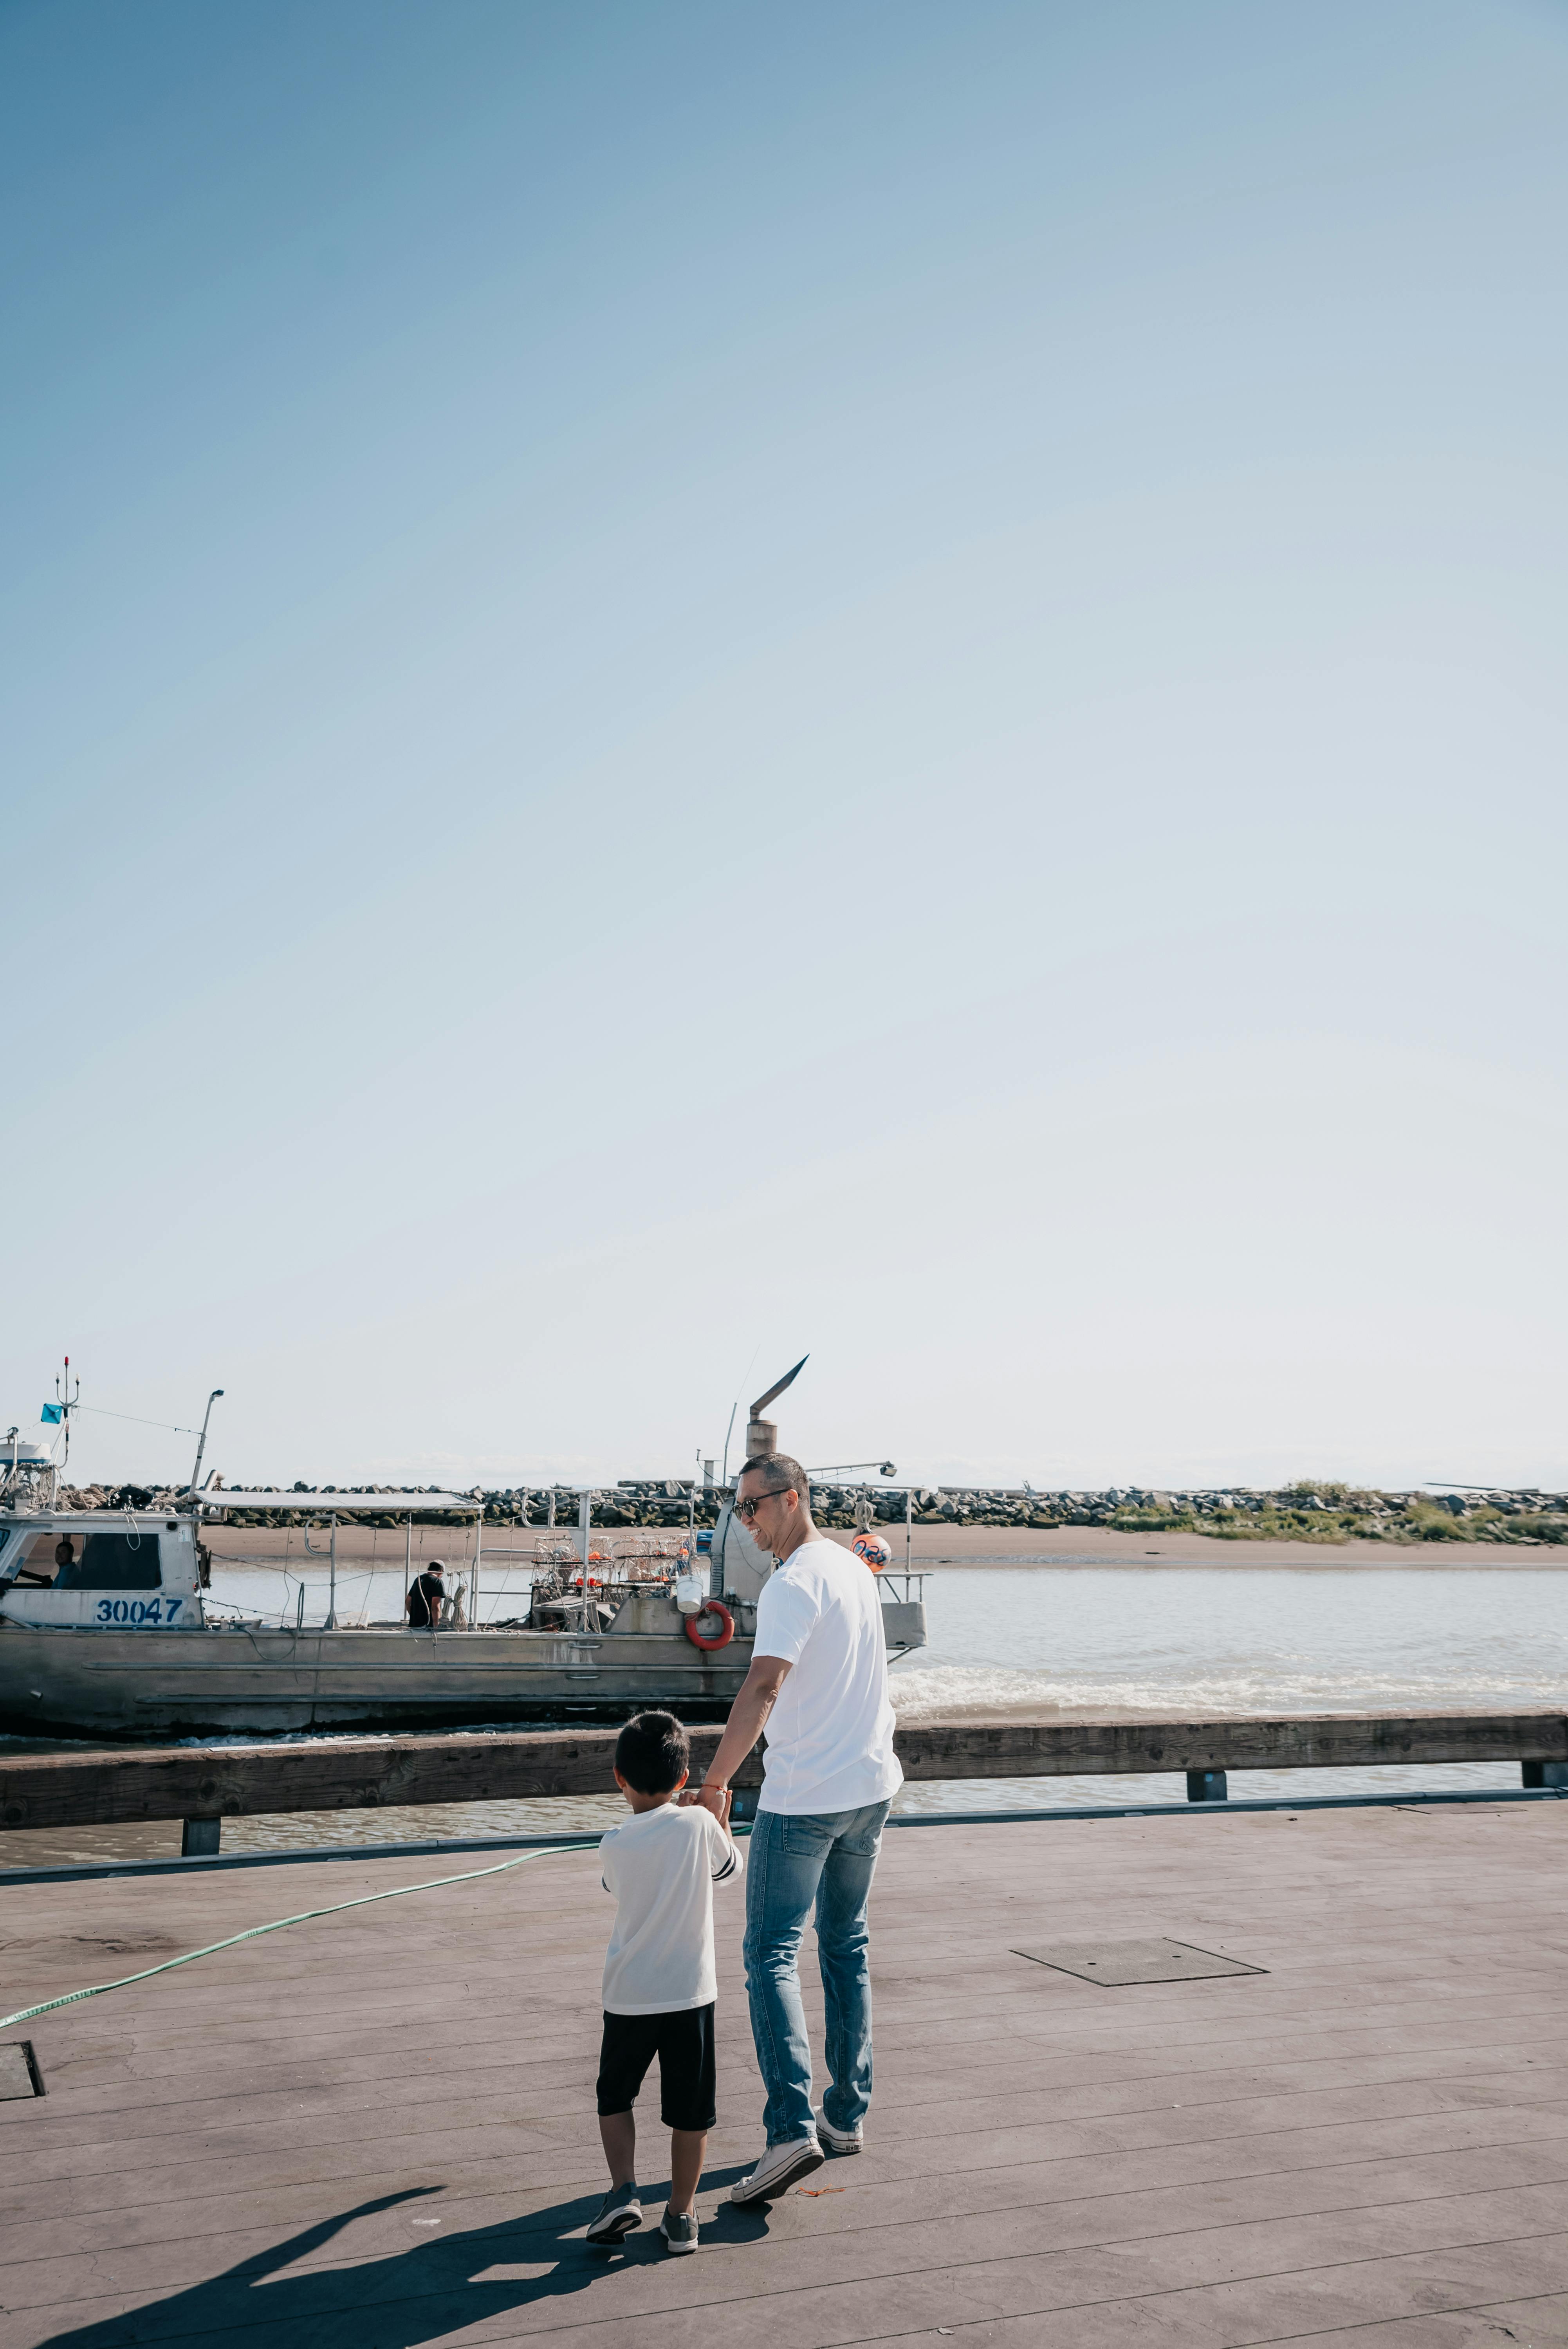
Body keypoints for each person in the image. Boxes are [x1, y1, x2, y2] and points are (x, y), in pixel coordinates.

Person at [684, 1452, 902, 2205]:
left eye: (756, 1505)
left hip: (807, 1797)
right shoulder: (851, 1570)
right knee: (845, 1943)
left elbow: (765, 1684)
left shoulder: (793, 1582)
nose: (747, 1522)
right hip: (871, 1788)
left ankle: (789, 2131)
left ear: (795, 1497)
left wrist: (715, 1783)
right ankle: (845, 2116)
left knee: (769, 1954)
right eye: (740, 1509)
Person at [587, 1710, 743, 2256]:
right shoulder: (698, 1826)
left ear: (619, 1778)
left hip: (628, 1994)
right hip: (690, 1994)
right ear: (683, 1779)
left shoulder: (613, 1842)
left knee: (615, 2096)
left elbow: (616, 1887)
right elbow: (729, 1872)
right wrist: (718, 1816)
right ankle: (681, 2216)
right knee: (690, 2111)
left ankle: (623, 2191)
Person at [405, 1560, 446, 1629]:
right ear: (441, 1571)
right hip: (428, 1627)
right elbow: (435, 1607)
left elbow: (407, 1602)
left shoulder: (418, 1579)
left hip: (414, 1627)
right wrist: (436, 1626)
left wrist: (414, 1617)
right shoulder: (437, 1581)